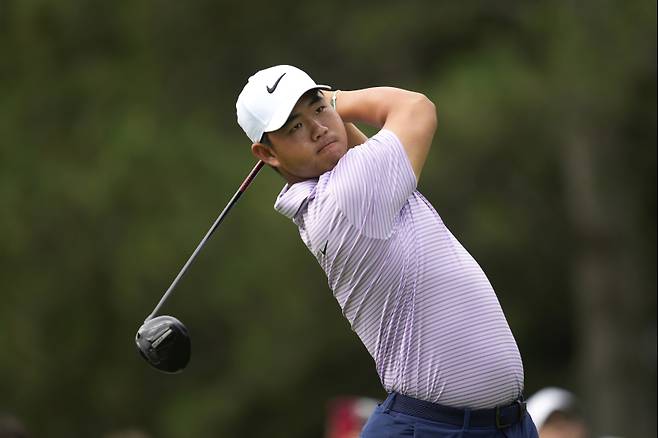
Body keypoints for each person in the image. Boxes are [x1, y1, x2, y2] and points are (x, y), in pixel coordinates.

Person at [236, 65, 538, 437]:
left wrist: (328, 117)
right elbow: (416, 107)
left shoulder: (351, 184)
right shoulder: (348, 195)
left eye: (317, 109)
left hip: (498, 426)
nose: (317, 128)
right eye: (294, 127)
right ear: (267, 153)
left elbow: (352, 145)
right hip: (432, 429)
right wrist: (335, 101)